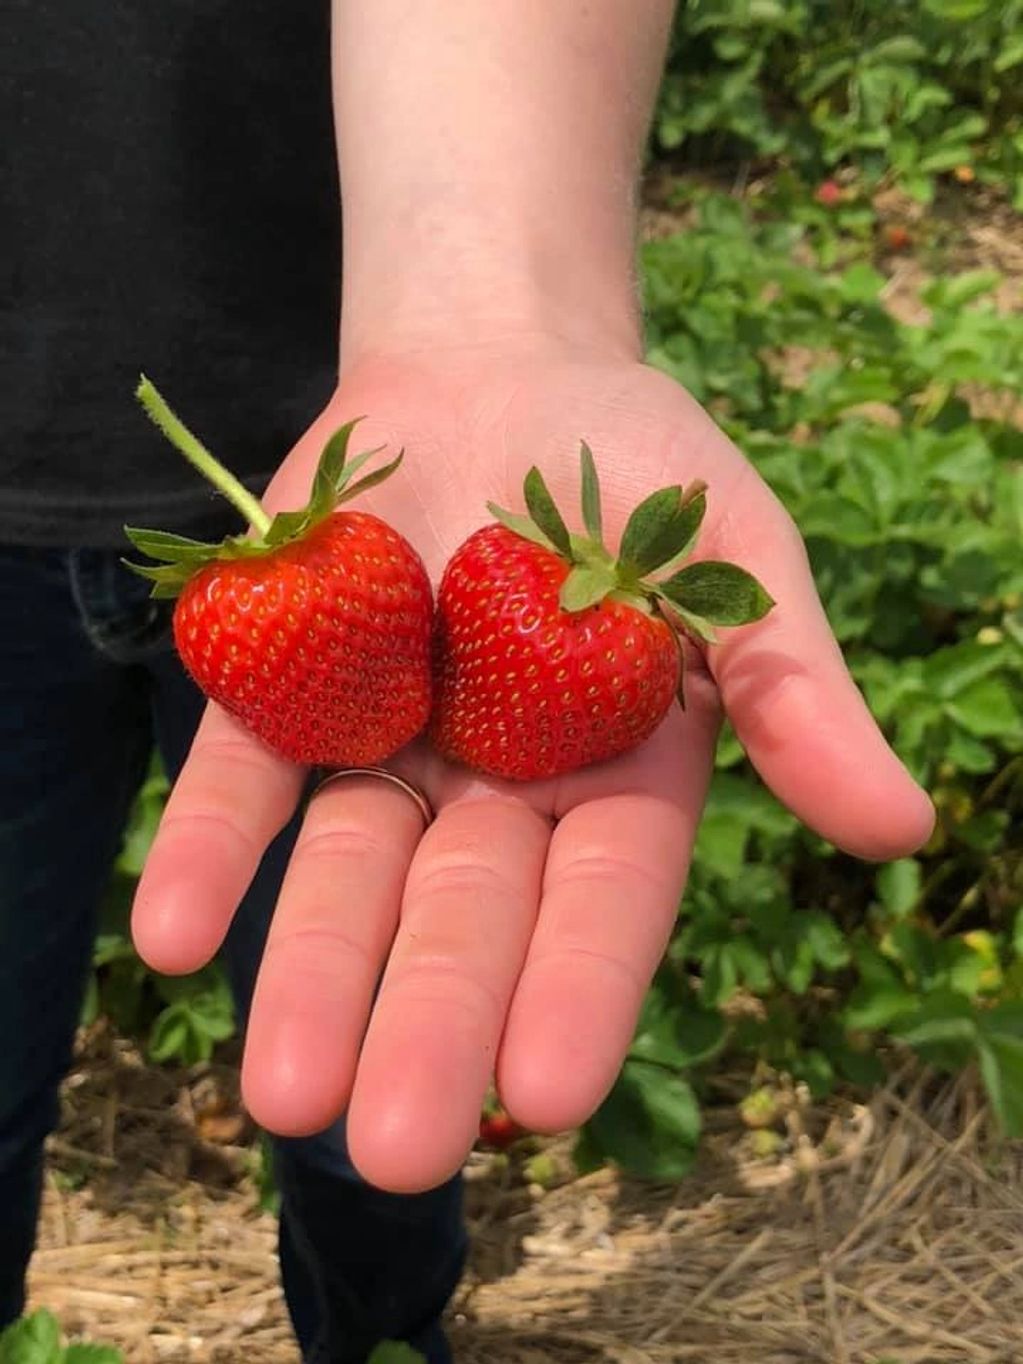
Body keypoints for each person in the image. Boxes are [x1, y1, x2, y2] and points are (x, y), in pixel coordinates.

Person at [0, 2, 935, 1361]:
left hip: (352, 427)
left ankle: (383, 1340)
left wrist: (505, 312)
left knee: (360, 1105)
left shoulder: (407, 584)